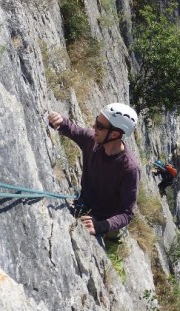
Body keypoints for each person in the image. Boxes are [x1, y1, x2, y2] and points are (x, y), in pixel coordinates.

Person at [48, 103, 140, 241]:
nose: (94, 127)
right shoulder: (93, 141)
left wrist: (101, 226)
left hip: (103, 220)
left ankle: (112, 238)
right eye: (97, 121)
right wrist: (60, 121)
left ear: (115, 134)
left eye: (100, 126)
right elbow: (74, 130)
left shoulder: (129, 169)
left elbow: (126, 213)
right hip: (84, 203)